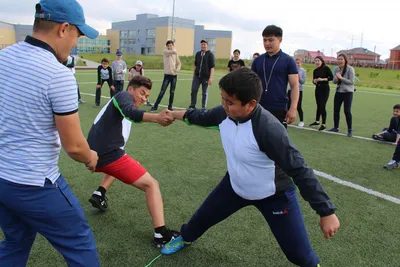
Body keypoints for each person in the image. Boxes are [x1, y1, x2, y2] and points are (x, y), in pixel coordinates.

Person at [161, 68, 340, 267]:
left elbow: (299, 169)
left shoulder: (269, 130)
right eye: (223, 99)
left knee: (299, 254)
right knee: (202, 217)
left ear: (251, 104)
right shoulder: (223, 113)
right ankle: (185, 237)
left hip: (274, 196)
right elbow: (200, 116)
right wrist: (173, 115)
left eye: (230, 102)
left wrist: (326, 211)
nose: (225, 106)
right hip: (234, 186)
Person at [0, 0, 100, 266]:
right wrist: (91, 157)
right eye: (77, 35)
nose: (76, 44)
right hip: (33, 182)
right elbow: (75, 147)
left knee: (15, 241)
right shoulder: (58, 75)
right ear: (64, 29)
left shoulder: (3, 57)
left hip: (1, 178)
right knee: (80, 242)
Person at [87, 75, 179, 248]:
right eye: (142, 93)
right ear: (131, 89)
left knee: (123, 158)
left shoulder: (118, 106)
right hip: (107, 155)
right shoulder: (123, 96)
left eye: (146, 97)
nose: (144, 99)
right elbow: (132, 113)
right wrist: (156, 118)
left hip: (100, 155)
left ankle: (100, 192)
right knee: (151, 185)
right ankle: (161, 234)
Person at [251, 25, 300, 128]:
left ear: (280, 40)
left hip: (278, 108)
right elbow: (250, 84)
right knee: (256, 140)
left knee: (277, 141)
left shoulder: (288, 60)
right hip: (257, 106)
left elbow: (294, 86)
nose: (267, 43)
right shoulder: (258, 60)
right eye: (264, 40)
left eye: (271, 40)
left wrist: (293, 108)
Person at [150, 40, 182, 112]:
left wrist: (177, 69)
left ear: (173, 45)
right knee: (162, 91)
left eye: (170, 45)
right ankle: (155, 106)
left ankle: (170, 107)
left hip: (174, 76)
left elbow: (179, 63)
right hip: (167, 75)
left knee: (172, 92)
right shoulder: (165, 52)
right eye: (168, 45)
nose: (169, 47)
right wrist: (174, 50)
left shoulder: (175, 54)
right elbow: (171, 52)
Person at [329, 54, 355, 137]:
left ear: (345, 60)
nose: (339, 61)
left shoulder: (350, 69)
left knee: (347, 111)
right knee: (336, 109)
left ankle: (349, 130)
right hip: (339, 91)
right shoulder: (336, 69)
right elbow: (334, 81)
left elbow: (351, 82)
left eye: (341, 59)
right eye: (338, 59)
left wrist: (341, 78)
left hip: (348, 92)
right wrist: (336, 79)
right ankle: (336, 127)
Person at [189, 40, 215, 109]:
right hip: (197, 76)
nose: (203, 46)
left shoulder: (210, 55)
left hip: (205, 77)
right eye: (202, 44)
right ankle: (192, 105)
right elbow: (195, 65)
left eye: (204, 44)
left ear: (207, 45)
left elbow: (212, 67)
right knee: (193, 90)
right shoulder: (198, 54)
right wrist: (194, 74)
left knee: (204, 93)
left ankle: (203, 107)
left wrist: (210, 78)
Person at [309, 56, 333, 131]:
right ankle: (317, 121)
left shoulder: (326, 68)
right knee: (318, 105)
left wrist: (322, 79)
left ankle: (323, 124)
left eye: (318, 60)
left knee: (322, 105)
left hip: (325, 89)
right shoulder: (315, 70)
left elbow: (331, 77)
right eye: (315, 61)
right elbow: (313, 80)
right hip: (318, 89)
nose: (317, 62)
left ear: (322, 61)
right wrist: (314, 81)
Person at [288, 58, 306, 127]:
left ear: (301, 63)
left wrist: (298, 76)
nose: (297, 64)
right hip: (290, 90)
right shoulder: (291, 70)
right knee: (287, 105)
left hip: (299, 90)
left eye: (298, 63)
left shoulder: (303, 71)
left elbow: (302, 81)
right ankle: (286, 119)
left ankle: (301, 121)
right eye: (296, 63)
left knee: (298, 106)